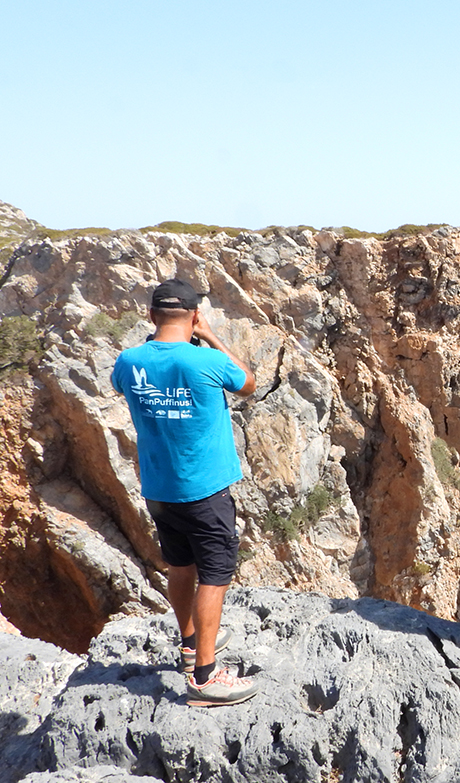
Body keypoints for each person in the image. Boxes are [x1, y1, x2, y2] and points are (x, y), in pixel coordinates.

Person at [110, 278, 261, 707]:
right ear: (195, 317)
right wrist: (211, 336)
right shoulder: (205, 361)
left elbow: (121, 384)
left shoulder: (129, 360)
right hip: (204, 490)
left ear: (150, 315)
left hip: (159, 488)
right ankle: (205, 678)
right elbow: (247, 383)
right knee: (215, 576)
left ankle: (190, 644)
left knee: (181, 566)